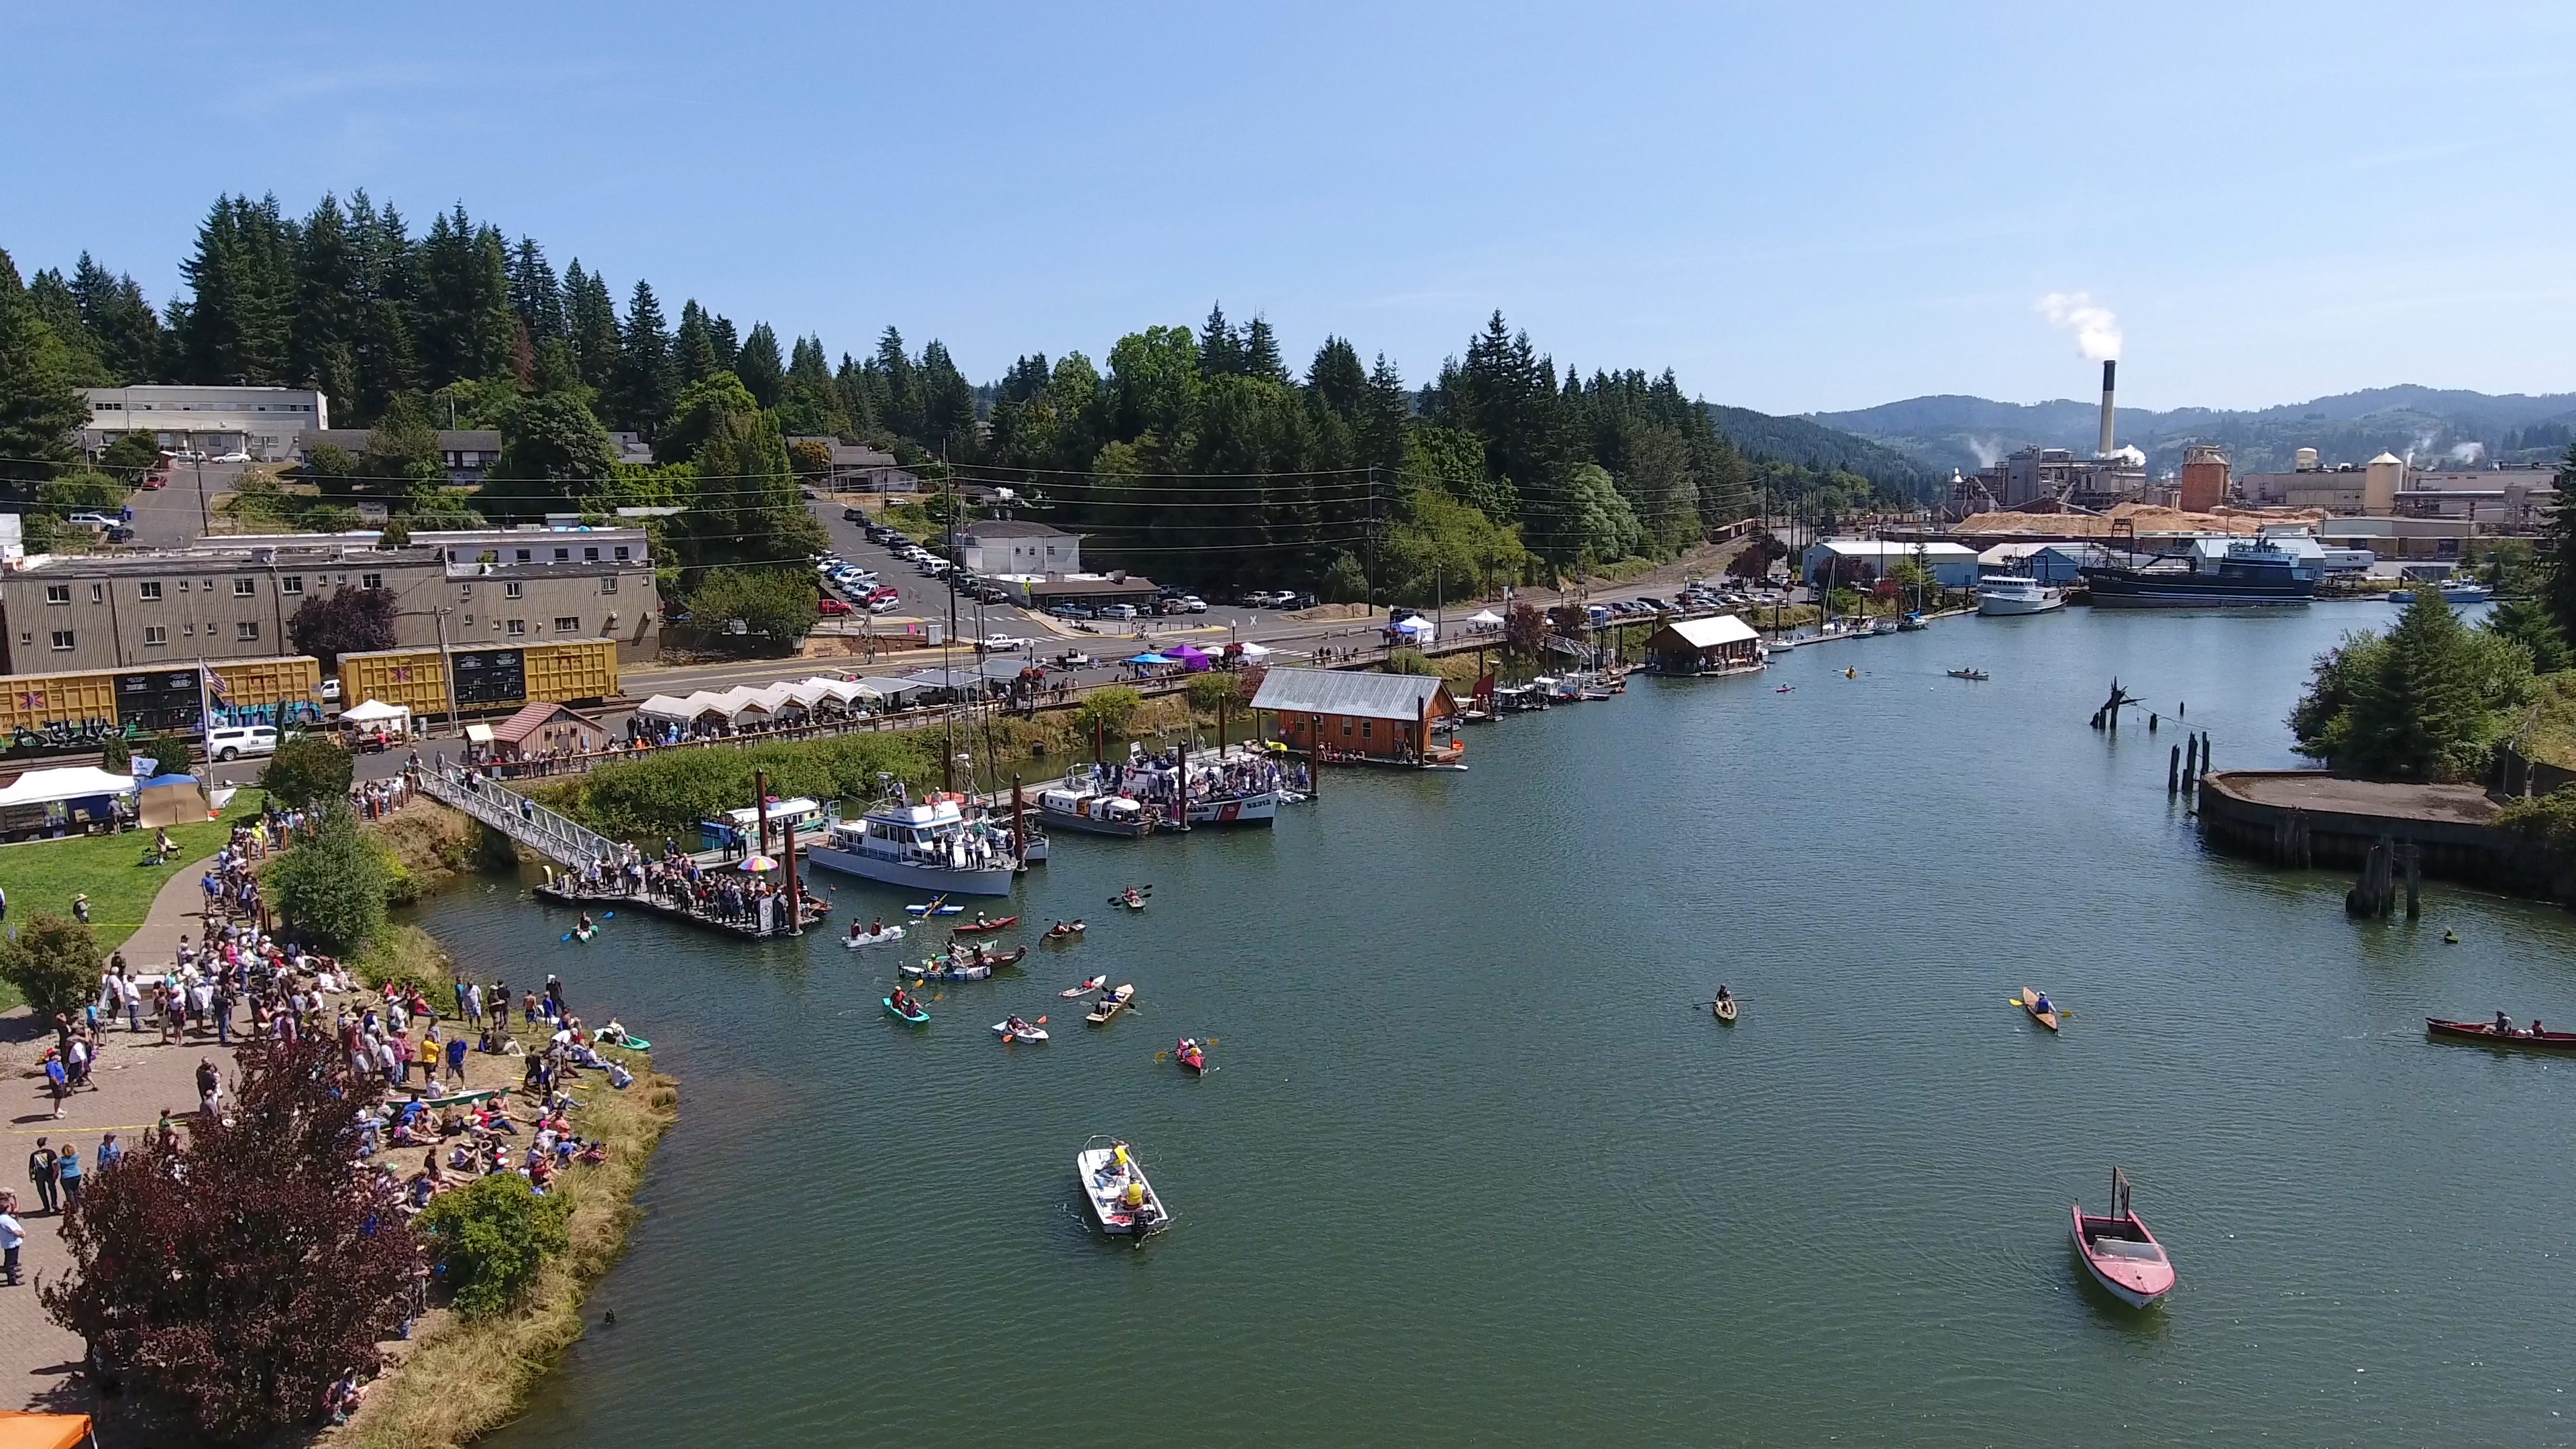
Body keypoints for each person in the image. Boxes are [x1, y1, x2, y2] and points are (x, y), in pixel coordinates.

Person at [26, 1142, 56, 1216]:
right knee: (52, 1189)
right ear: (45, 1143)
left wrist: (31, 1177)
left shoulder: (34, 1154)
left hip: (39, 1175)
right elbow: (55, 1163)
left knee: (42, 1191)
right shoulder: (50, 1152)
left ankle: (46, 1207)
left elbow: (31, 1167)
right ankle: (54, 1204)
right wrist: (56, 1173)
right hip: (49, 1174)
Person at [54, 1142, 80, 1210]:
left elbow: (57, 1170)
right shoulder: (76, 1156)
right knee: (76, 1191)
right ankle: (78, 1205)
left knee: (69, 1193)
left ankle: (73, 1208)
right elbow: (77, 1152)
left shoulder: (61, 1160)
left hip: (66, 1178)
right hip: (77, 1175)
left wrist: (54, 1177)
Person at [0, 1199, 21, 1285]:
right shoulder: (5, 1220)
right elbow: (14, 1231)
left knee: (10, 1261)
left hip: (8, 1242)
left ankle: (13, 1275)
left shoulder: (3, 1218)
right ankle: (12, 1279)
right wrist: (22, 1234)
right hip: (11, 1243)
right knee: (11, 1263)